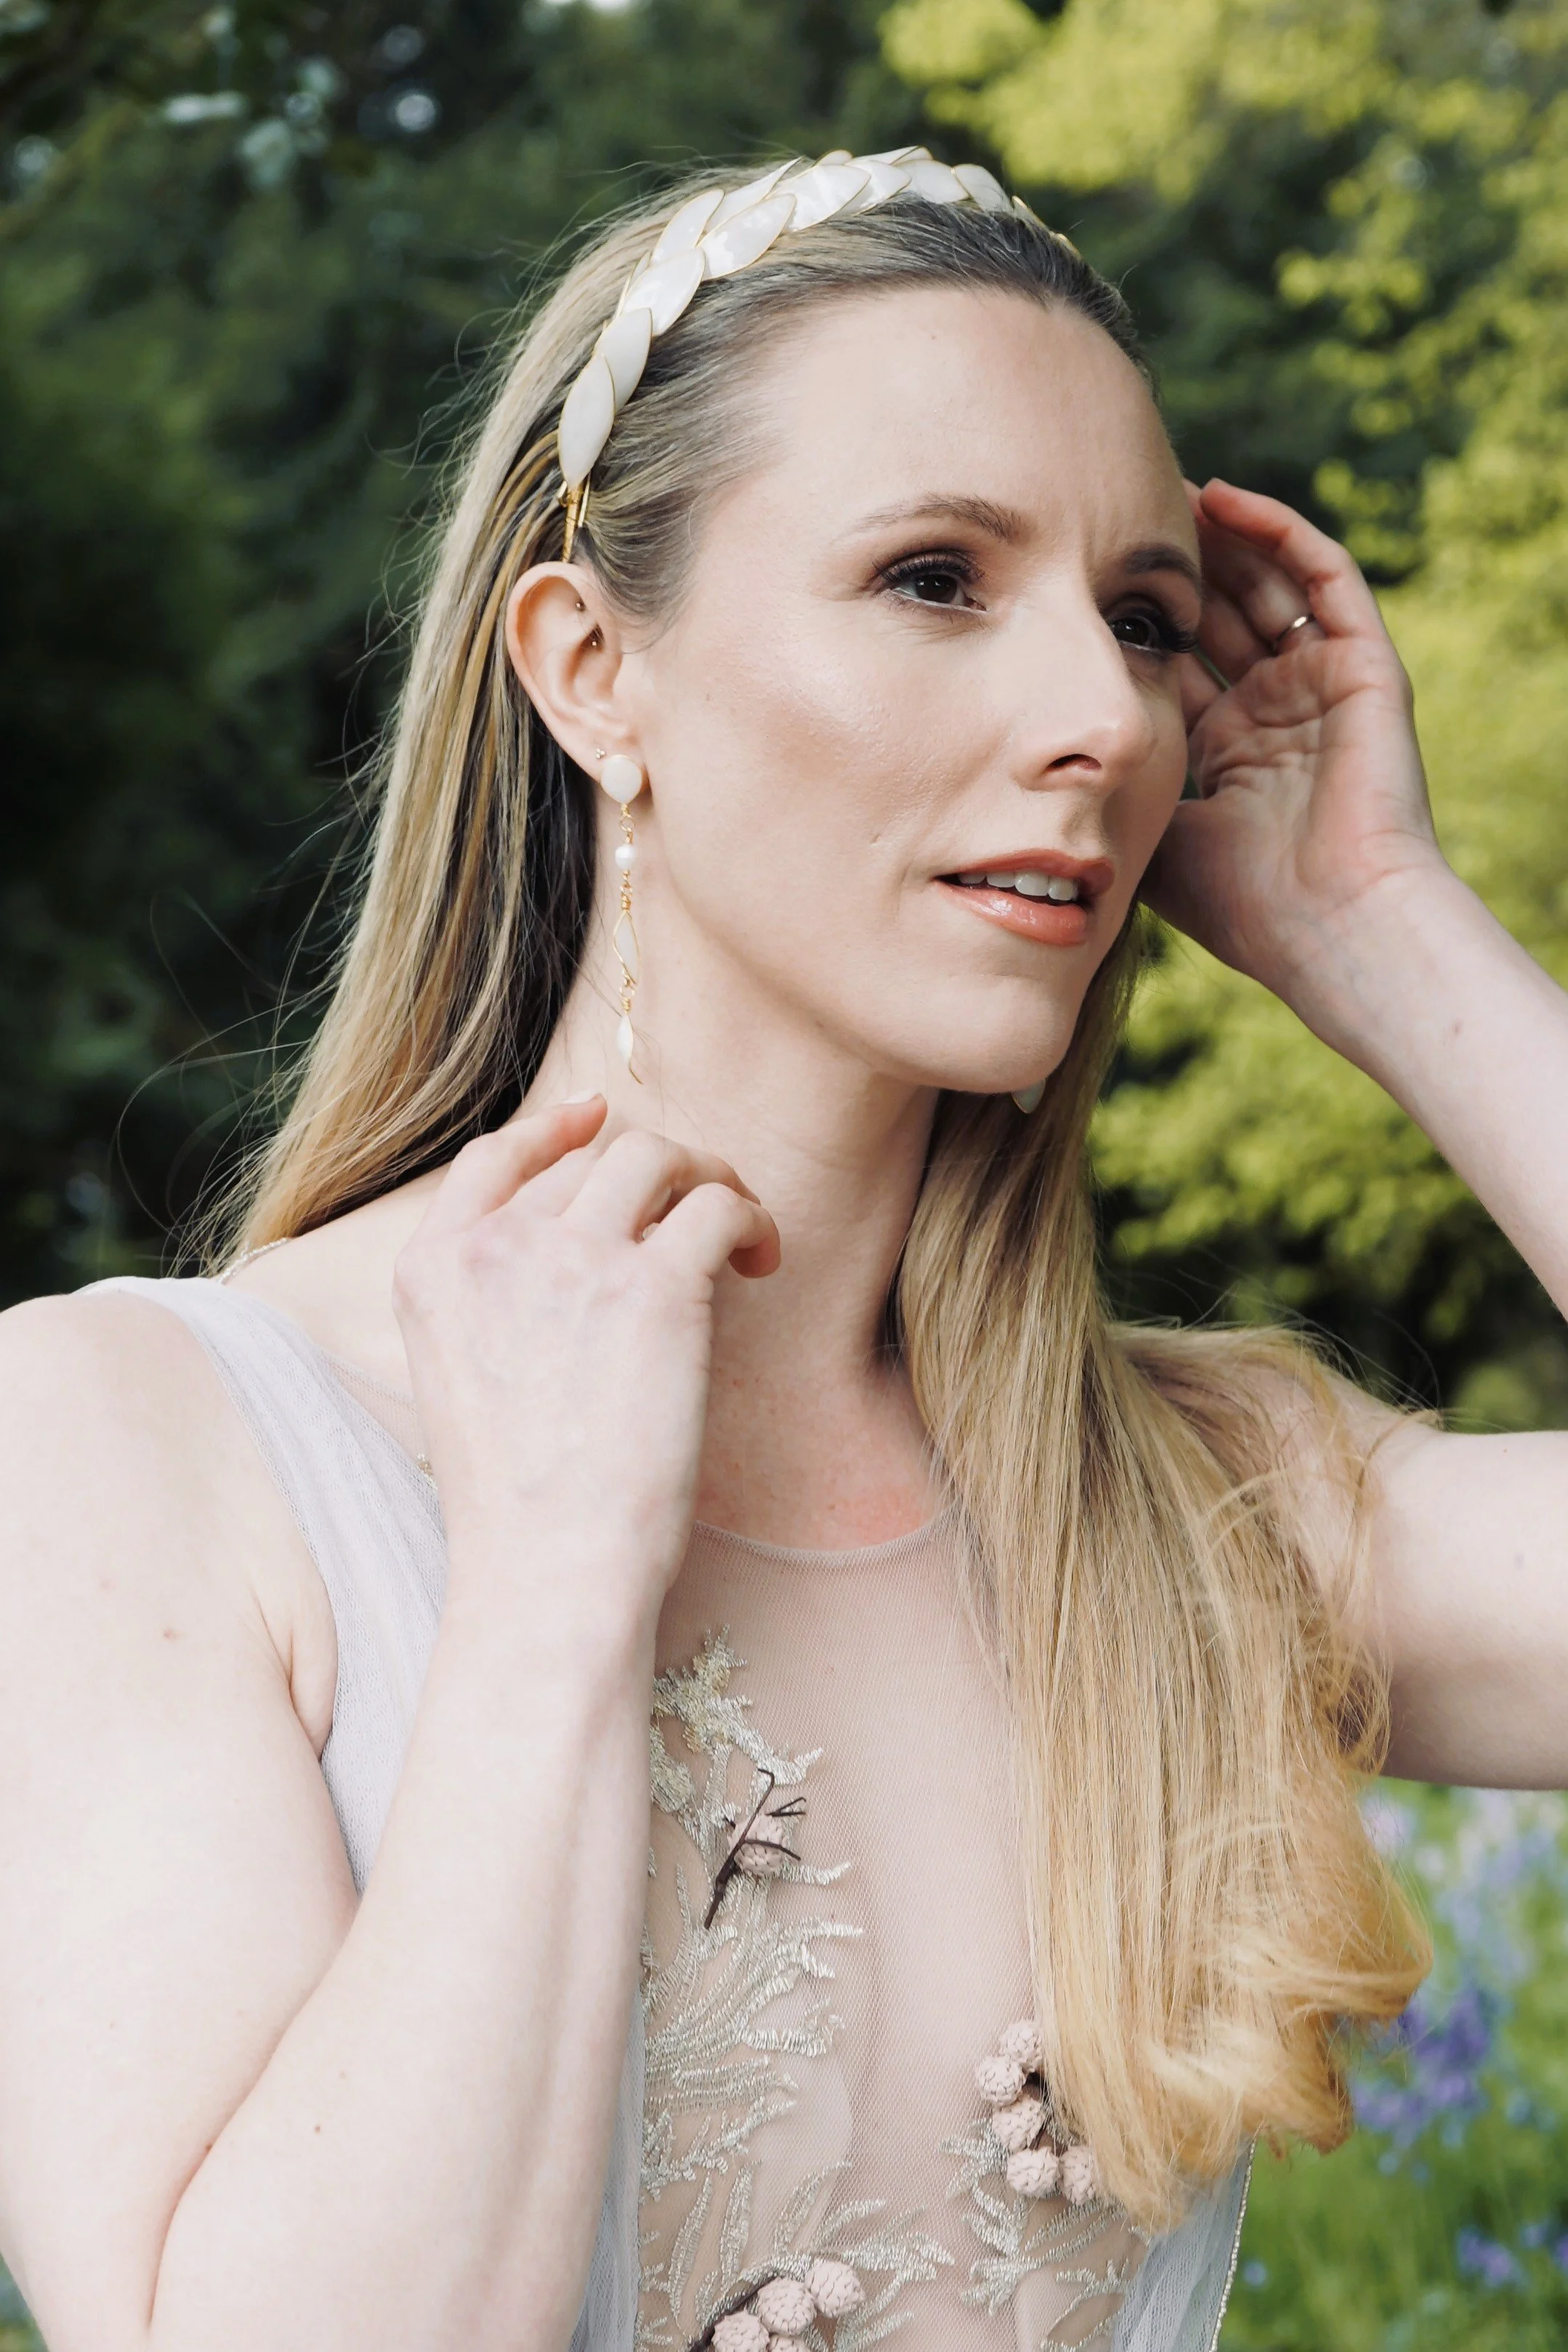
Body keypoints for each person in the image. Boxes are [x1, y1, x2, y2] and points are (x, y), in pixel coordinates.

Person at [1, 145, 1564, 2352]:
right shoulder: (137, 1439)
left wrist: (1377, 928)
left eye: (1136, 616)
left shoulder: (1201, 1515)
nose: (1106, 720)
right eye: (936, 576)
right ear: (588, 668)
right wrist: (547, 1590)